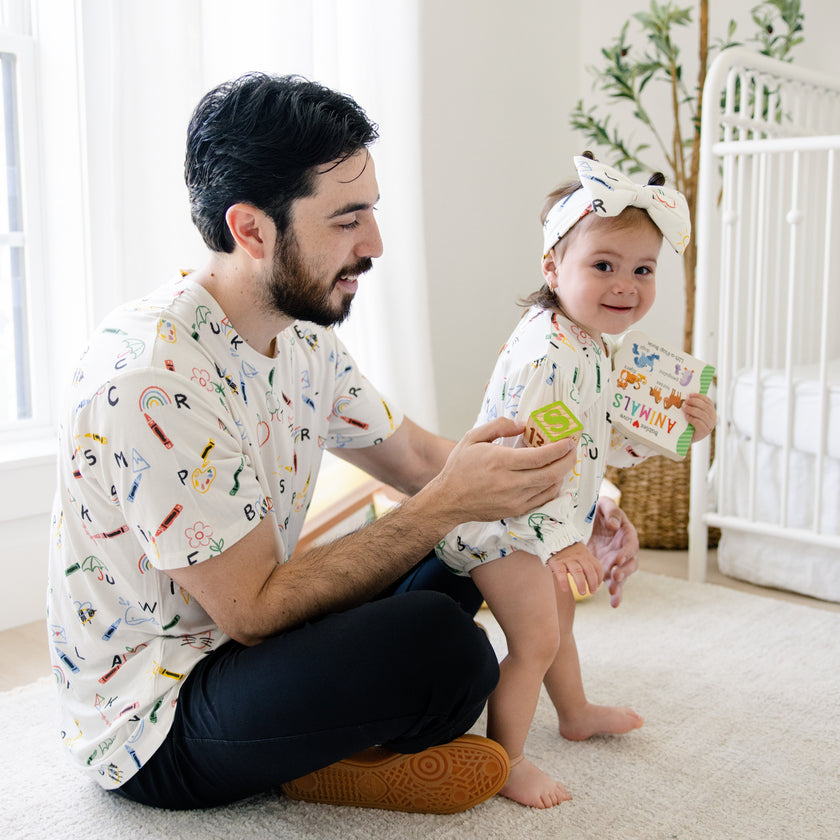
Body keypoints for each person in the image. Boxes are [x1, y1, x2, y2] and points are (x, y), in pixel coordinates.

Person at [47, 73, 642, 815]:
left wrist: (567, 507)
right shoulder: (150, 378)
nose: (376, 244)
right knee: (448, 652)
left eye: (373, 212)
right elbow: (253, 611)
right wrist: (452, 506)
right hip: (162, 721)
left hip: (255, 647)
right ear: (252, 229)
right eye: (347, 219)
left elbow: (427, 464)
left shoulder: (299, 337)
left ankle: (330, 746)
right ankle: (322, 756)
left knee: (477, 540)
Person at [436, 153, 717, 809]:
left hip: (539, 517)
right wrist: (561, 540)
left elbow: (596, 440)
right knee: (534, 639)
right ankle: (506, 760)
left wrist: (677, 429)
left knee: (557, 620)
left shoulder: (587, 343)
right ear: (552, 269)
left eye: (642, 270)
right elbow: (531, 454)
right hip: (500, 518)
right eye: (603, 266)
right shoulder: (547, 353)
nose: (627, 285)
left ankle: (577, 711)